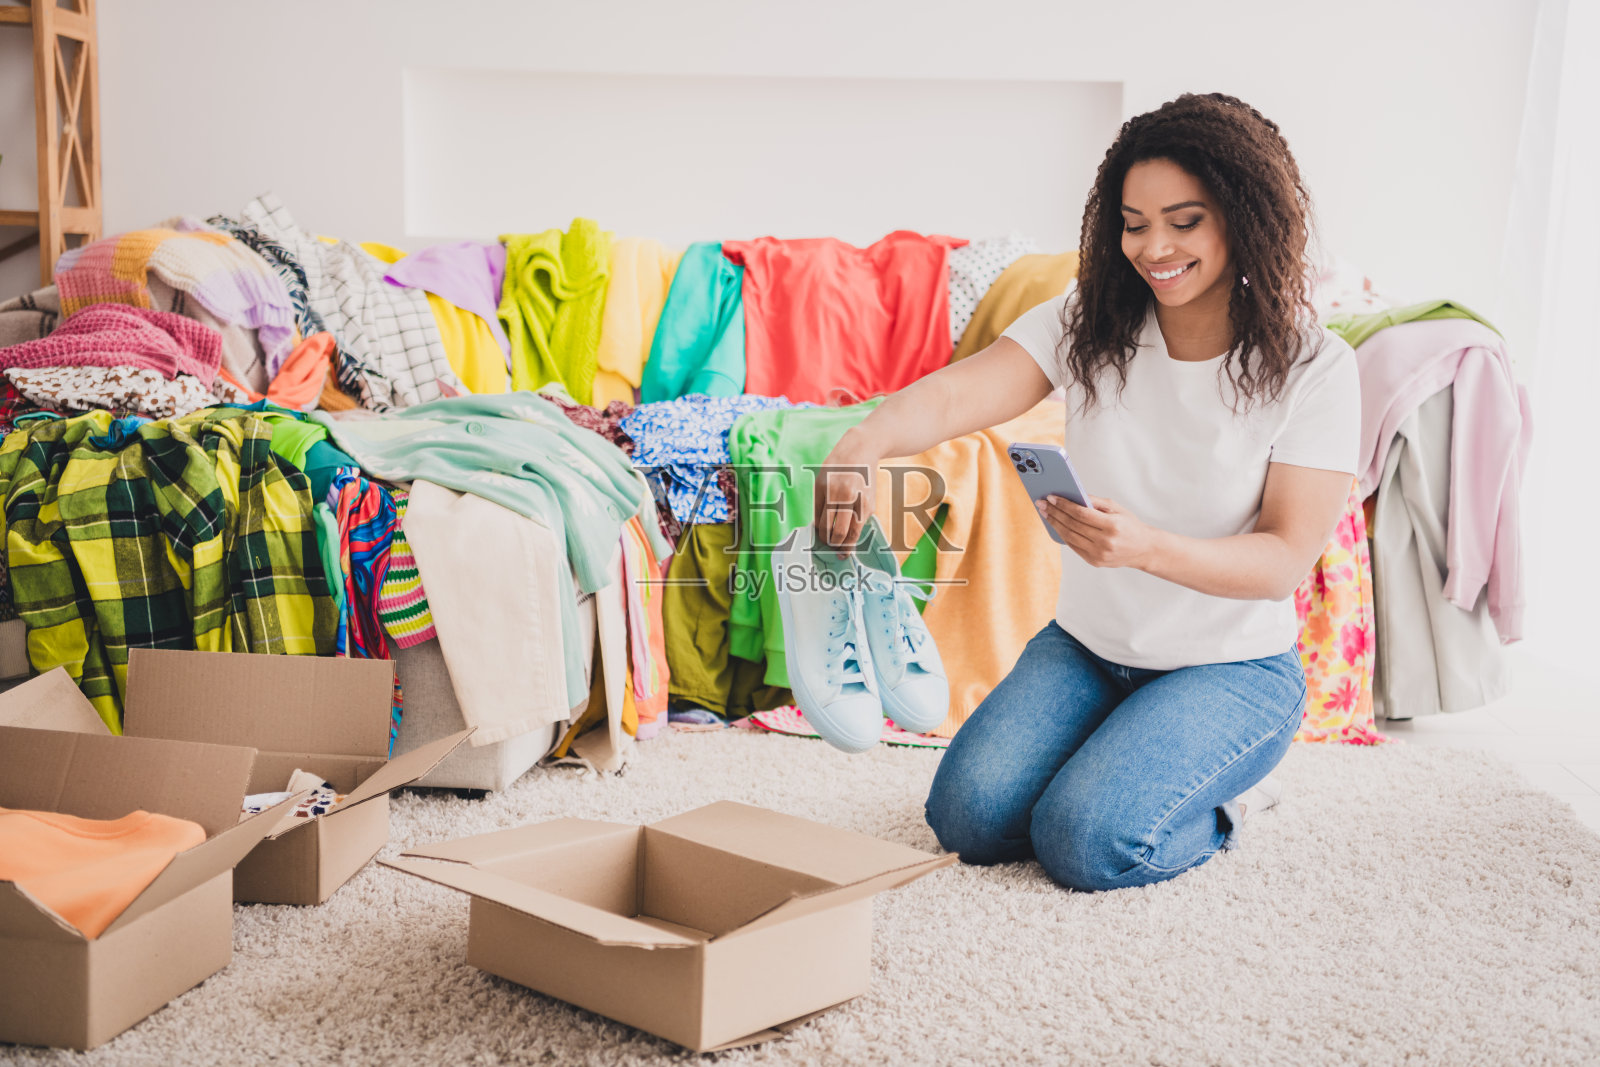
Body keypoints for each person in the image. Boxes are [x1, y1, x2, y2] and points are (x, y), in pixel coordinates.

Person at [812, 93, 1359, 892]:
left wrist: (1147, 549)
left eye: (1184, 221)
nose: (1154, 247)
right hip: (1090, 650)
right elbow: (959, 395)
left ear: (1243, 217)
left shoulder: (1316, 367)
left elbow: (1281, 561)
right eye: (1134, 223)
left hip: (1232, 669)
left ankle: (1229, 800)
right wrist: (863, 443)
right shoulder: (1089, 320)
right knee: (967, 820)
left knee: (1084, 841)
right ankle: (1129, 742)